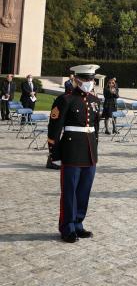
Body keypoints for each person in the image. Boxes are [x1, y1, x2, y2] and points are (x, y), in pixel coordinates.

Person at [47, 64, 102, 243]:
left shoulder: (95, 100)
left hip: (89, 152)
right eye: (85, 79)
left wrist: (95, 149)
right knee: (69, 191)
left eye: (91, 79)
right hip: (71, 151)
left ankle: (78, 224)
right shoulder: (65, 100)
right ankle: (67, 227)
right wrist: (54, 153)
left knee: (84, 191)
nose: (88, 82)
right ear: (76, 79)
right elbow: (54, 128)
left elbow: (96, 128)